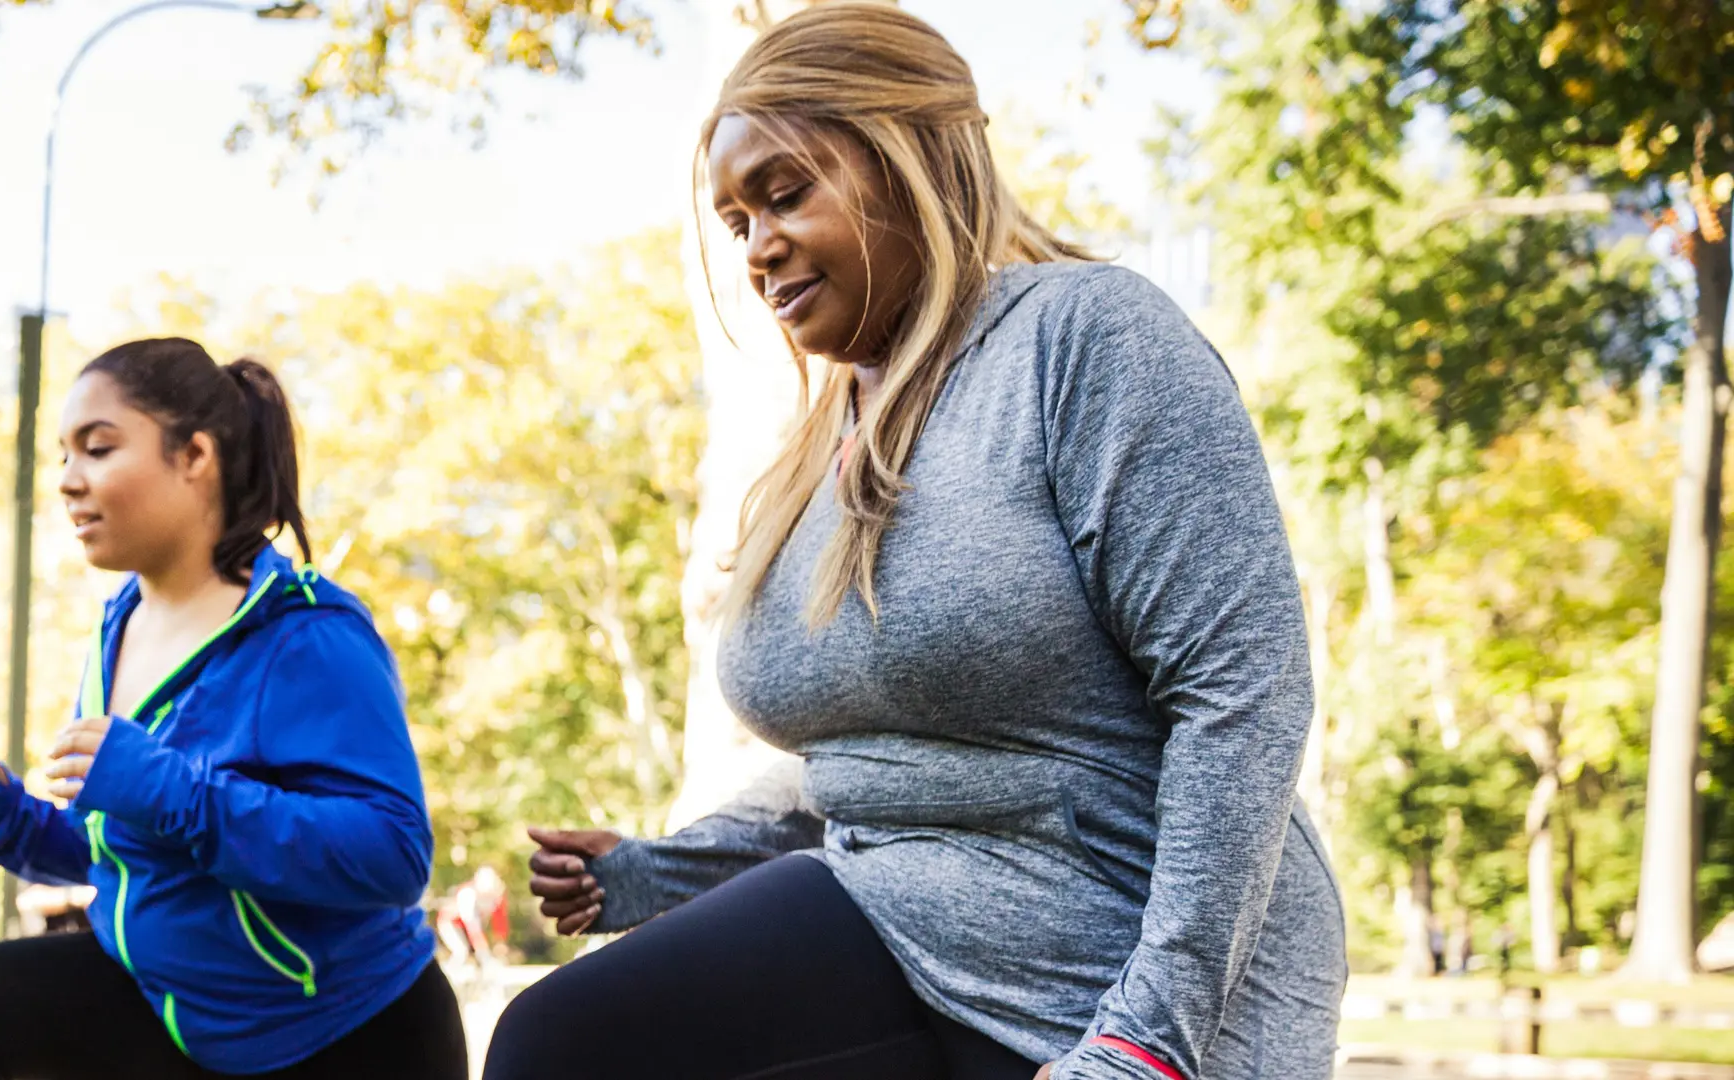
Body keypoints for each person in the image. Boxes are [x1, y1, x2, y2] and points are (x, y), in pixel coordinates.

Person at [489, 6, 1347, 1080]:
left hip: (1123, 978)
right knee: (566, 1045)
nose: (757, 248)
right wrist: (662, 871)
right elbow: (853, 768)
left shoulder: (1083, 339)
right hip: (904, 928)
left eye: (786, 194)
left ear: (908, 160)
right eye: (736, 221)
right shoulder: (818, 449)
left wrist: (1146, 1044)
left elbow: (1243, 693)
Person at [0, 339, 464, 1080]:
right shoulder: (118, 627)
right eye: (62, 456)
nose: (68, 481)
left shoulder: (307, 633)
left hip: (339, 1035)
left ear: (195, 456)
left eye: (97, 449)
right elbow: (125, 857)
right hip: (178, 1014)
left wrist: (177, 794)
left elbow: (394, 856)